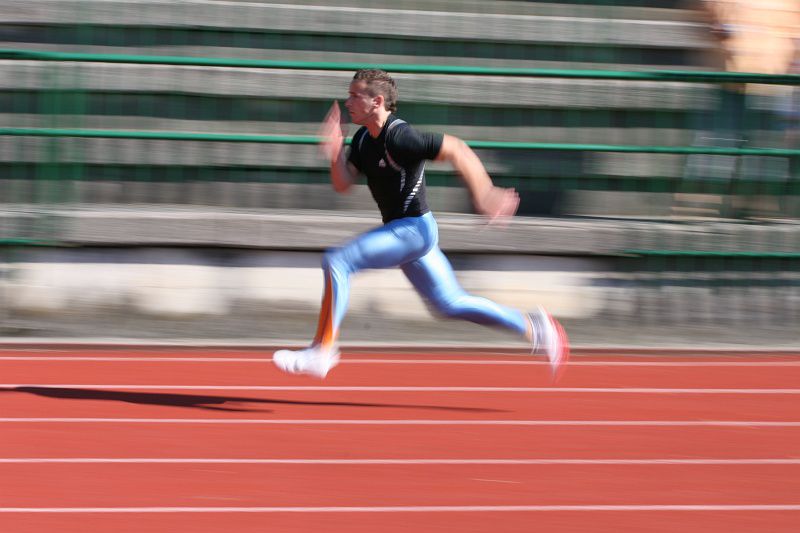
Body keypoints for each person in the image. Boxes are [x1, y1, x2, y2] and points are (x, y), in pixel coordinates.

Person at [273, 69, 568, 378]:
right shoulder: (363, 139)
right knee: (450, 303)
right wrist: (335, 153)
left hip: (413, 230)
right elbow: (344, 184)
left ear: (377, 101)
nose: (347, 102)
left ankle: (322, 350)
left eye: (354, 95)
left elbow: (456, 148)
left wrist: (485, 193)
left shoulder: (399, 136)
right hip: (411, 235)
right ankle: (537, 328)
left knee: (338, 261)